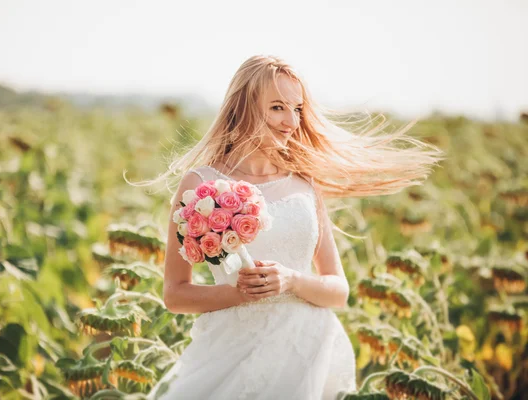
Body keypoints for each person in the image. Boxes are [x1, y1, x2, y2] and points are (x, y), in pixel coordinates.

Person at [130, 55, 443, 400]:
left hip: (306, 350)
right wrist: (242, 293)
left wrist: (290, 280)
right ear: (243, 107)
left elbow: (338, 291)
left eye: (297, 109)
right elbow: (175, 293)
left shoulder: (306, 185)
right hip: (233, 351)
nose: (291, 121)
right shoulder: (202, 185)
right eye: (278, 107)